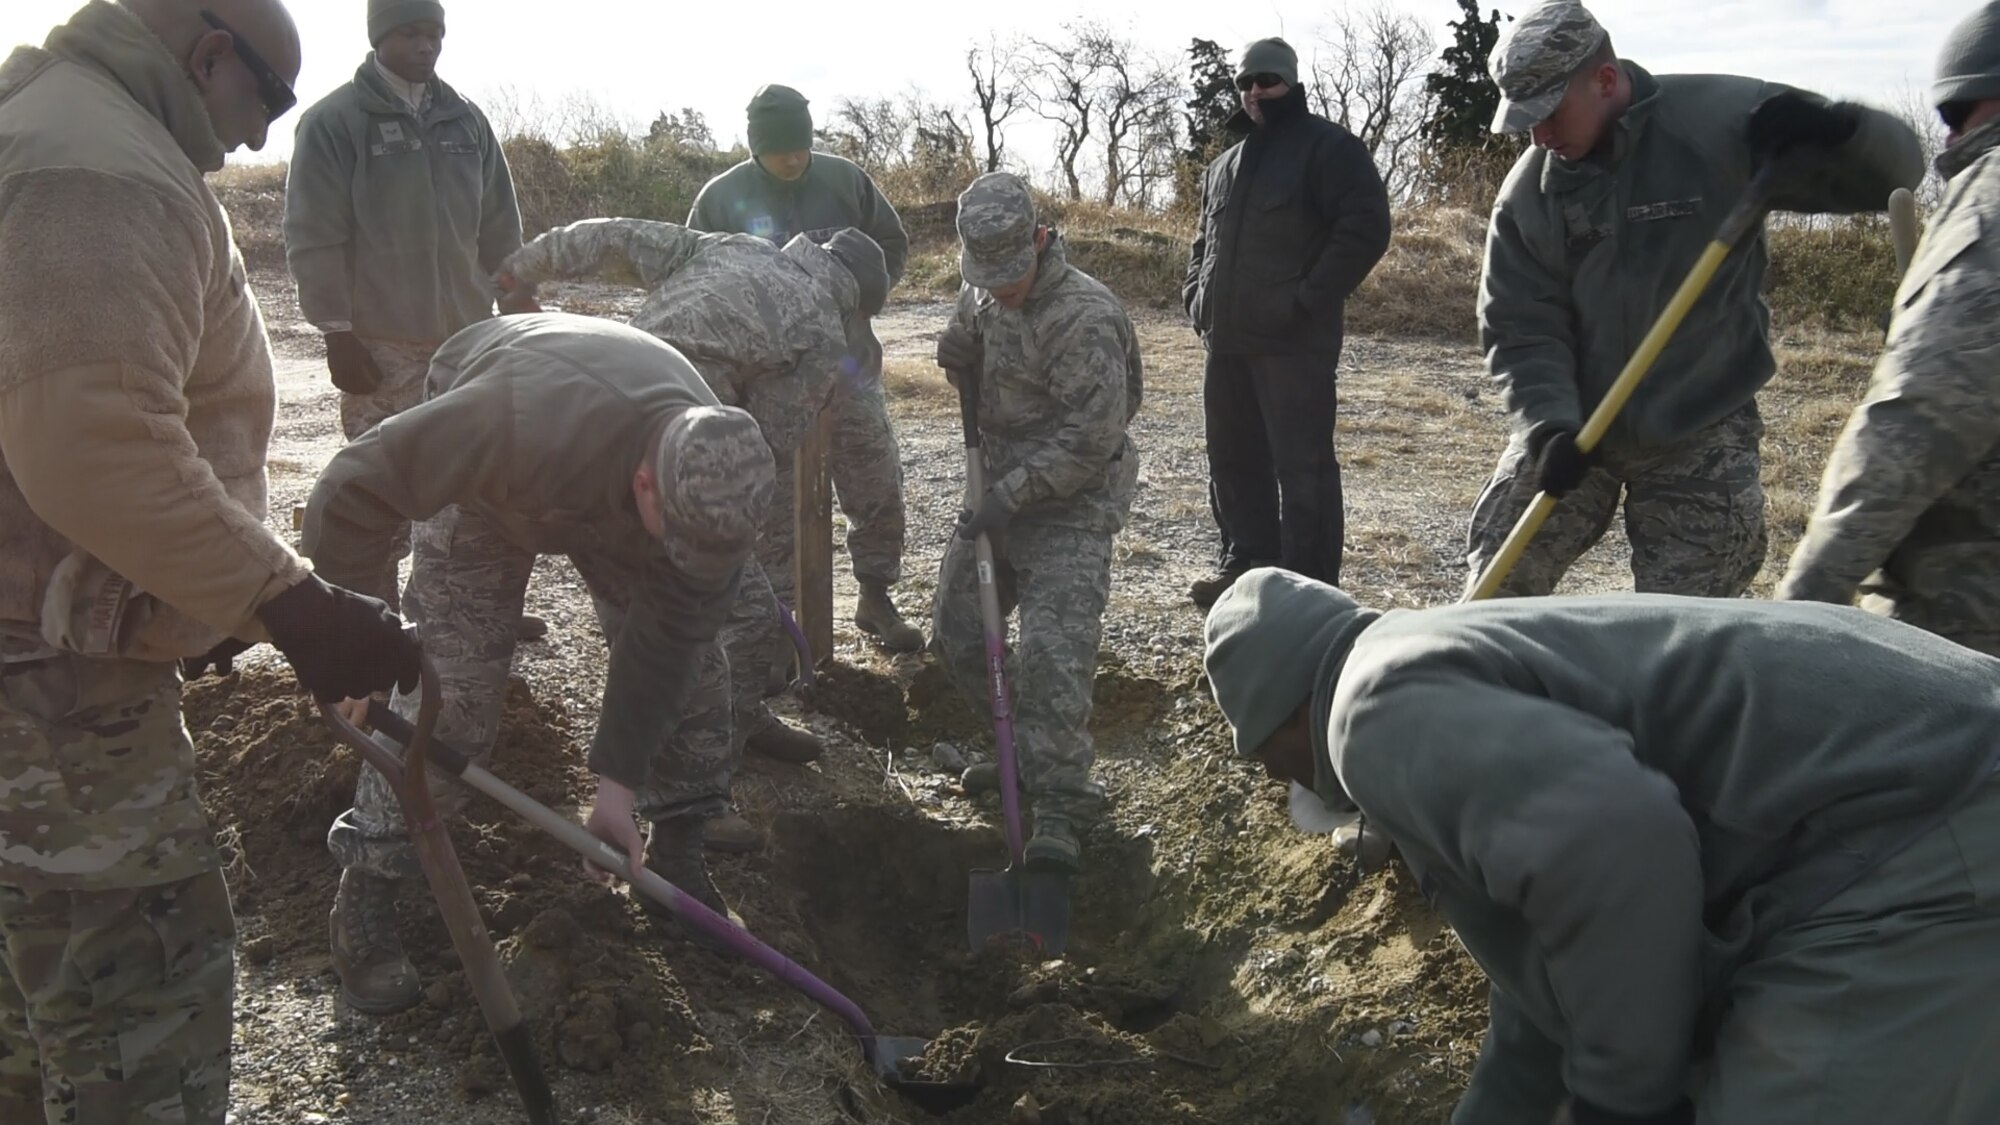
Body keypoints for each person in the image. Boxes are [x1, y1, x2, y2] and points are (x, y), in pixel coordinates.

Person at [0, 1, 420, 1120]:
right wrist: (281, 597)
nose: (259, 140)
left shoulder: (54, 129)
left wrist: (183, 603)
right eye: (265, 101)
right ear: (208, 51)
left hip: (50, 648)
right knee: (140, 1016)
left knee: (44, 1029)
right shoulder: (101, 168)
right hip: (54, 698)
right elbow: (94, 439)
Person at [1203, 568, 2000, 1125]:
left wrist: (1627, 1101)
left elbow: (1622, 846)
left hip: (1924, 828)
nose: (1274, 777)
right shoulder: (1432, 664)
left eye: (1261, 756)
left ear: (1280, 719)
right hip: (1927, 794)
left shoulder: (1367, 714)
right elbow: (1542, 999)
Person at [301, 313, 773, 1014]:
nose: (685, 565)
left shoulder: (712, 490)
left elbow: (669, 639)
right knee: (453, 699)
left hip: (604, 472)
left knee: (700, 674)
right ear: (647, 485)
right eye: (676, 544)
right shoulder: (509, 422)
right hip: (495, 468)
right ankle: (369, 885)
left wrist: (618, 784)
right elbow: (349, 492)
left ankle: (678, 847)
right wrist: (355, 644)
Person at [1467, 0, 1923, 599]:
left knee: (1688, 626)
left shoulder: (1723, 123)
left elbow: (1896, 173)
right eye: (1525, 121)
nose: (1539, 135)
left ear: (1605, 80)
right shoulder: (1531, 195)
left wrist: (1849, 132)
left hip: (1701, 424)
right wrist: (1548, 425)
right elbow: (1519, 326)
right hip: (1577, 424)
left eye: (1550, 112)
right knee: (1494, 586)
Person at [497, 218, 889, 850]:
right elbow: (763, 447)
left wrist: (524, 269)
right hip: (668, 466)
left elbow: (614, 237)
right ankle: (690, 798)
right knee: (726, 618)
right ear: (859, 301)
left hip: (609, 414)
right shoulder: (819, 328)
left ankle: (738, 719)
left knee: (704, 609)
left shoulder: (730, 246)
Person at [283, 0, 530, 632]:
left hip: (467, 339)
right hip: (382, 342)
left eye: (435, 33)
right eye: (411, 33)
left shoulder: (465, 120)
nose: (426, 46)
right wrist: (336, 330)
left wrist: (516, 296)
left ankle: (473, 609)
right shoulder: (336, 121)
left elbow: (498, 223)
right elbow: (314, 233)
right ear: (379, 36)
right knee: (380, 482)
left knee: (474, 483)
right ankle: (377, 618)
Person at [931, 173, 1142, 873]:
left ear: (1039, 240)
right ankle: (1022, 754)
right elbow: (966, 337)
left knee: (1054, 654)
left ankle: (1060, 799)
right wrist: (952, 354)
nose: (999, 289)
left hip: (1069, 503)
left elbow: (1092, 438)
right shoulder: (981, 292)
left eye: (1009, 275)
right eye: (985, 278)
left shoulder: (1086, 315)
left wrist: (1014, 491)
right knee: (959, 631)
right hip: (994, 488)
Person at [1778, 1, 2000, 656]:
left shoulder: (1990, 204)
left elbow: (1917, 419)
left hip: (1963, 631)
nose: (1952, 140)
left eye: (1954, 119)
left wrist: (1797, 612)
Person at [688, 84, 922, 653]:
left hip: (845, 357)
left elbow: (891, 242)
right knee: (776, 496)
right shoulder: (722, 198)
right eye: (780, 150)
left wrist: (864, 308)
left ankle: (875, 594)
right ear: (755, 148)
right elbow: (698, 277)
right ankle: (779, 624)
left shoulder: (845, 181)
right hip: (768, 372)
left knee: (874, 470)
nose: (794, 159)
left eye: (801, 147)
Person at [1184, 36, 1392, 609]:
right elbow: (1205, 242)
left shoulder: (1330, 149)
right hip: (1225, 342)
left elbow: (1366, 228)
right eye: (1246, 82)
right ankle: (1245, 566)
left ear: (1292, 83)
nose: (1255, 92)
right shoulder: (1225, 164)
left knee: (1303, 469)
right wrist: (1195, 296)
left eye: (1268, 80)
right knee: (1231, 458)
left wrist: (1307, 300)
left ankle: (1309, 586)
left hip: (1292, 344)